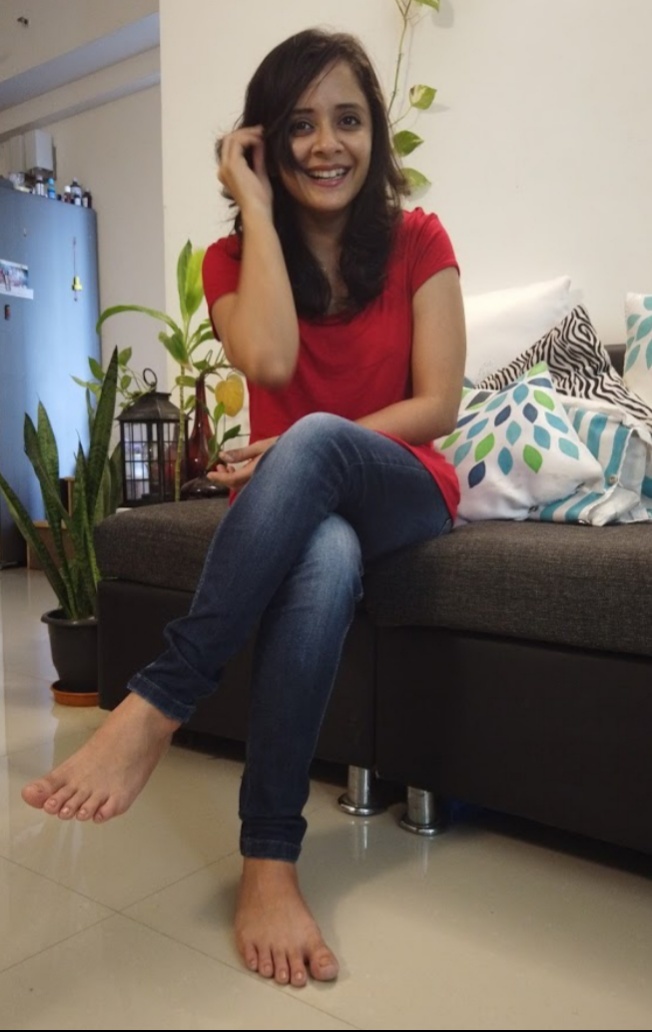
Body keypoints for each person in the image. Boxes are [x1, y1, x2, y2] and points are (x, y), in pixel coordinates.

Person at [21, 27, 466, 988]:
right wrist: (257, 212)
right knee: (326, 556)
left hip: (404, 485)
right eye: (299, 126)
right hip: (305, 510)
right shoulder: (233, 262)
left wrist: (313, 444)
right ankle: (269, 860)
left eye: (348, 120)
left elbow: (439, 405)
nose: (327, 144)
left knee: (318, 446)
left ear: (376, 133)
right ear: (261, 144)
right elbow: (268, 359)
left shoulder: (420, 240)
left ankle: (156, 703)